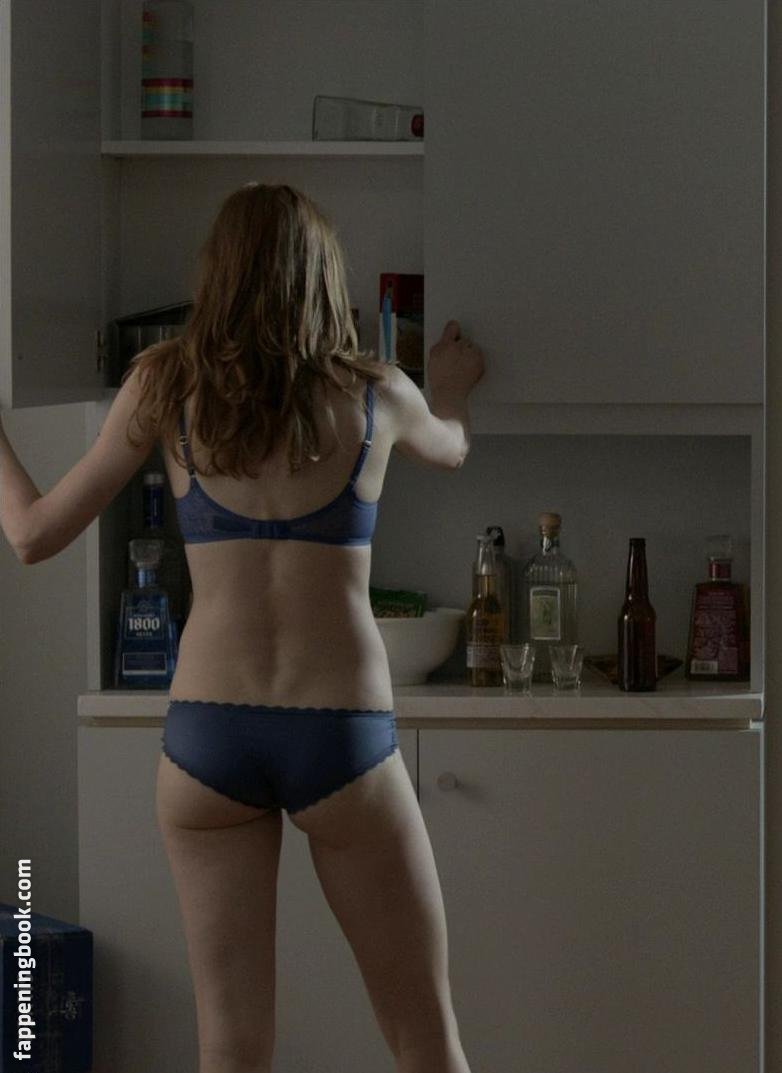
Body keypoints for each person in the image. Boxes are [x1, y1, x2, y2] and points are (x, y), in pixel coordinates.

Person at [0, 183, 484, 1073]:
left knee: (232, 1050)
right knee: (425, 1040)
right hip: (341, 737)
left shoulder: (165, 384)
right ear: (323, 278)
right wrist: (450, 386)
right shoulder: (378, 393)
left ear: (215, 277)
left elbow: (31, 535)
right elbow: (452, 444)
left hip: (207, 739)